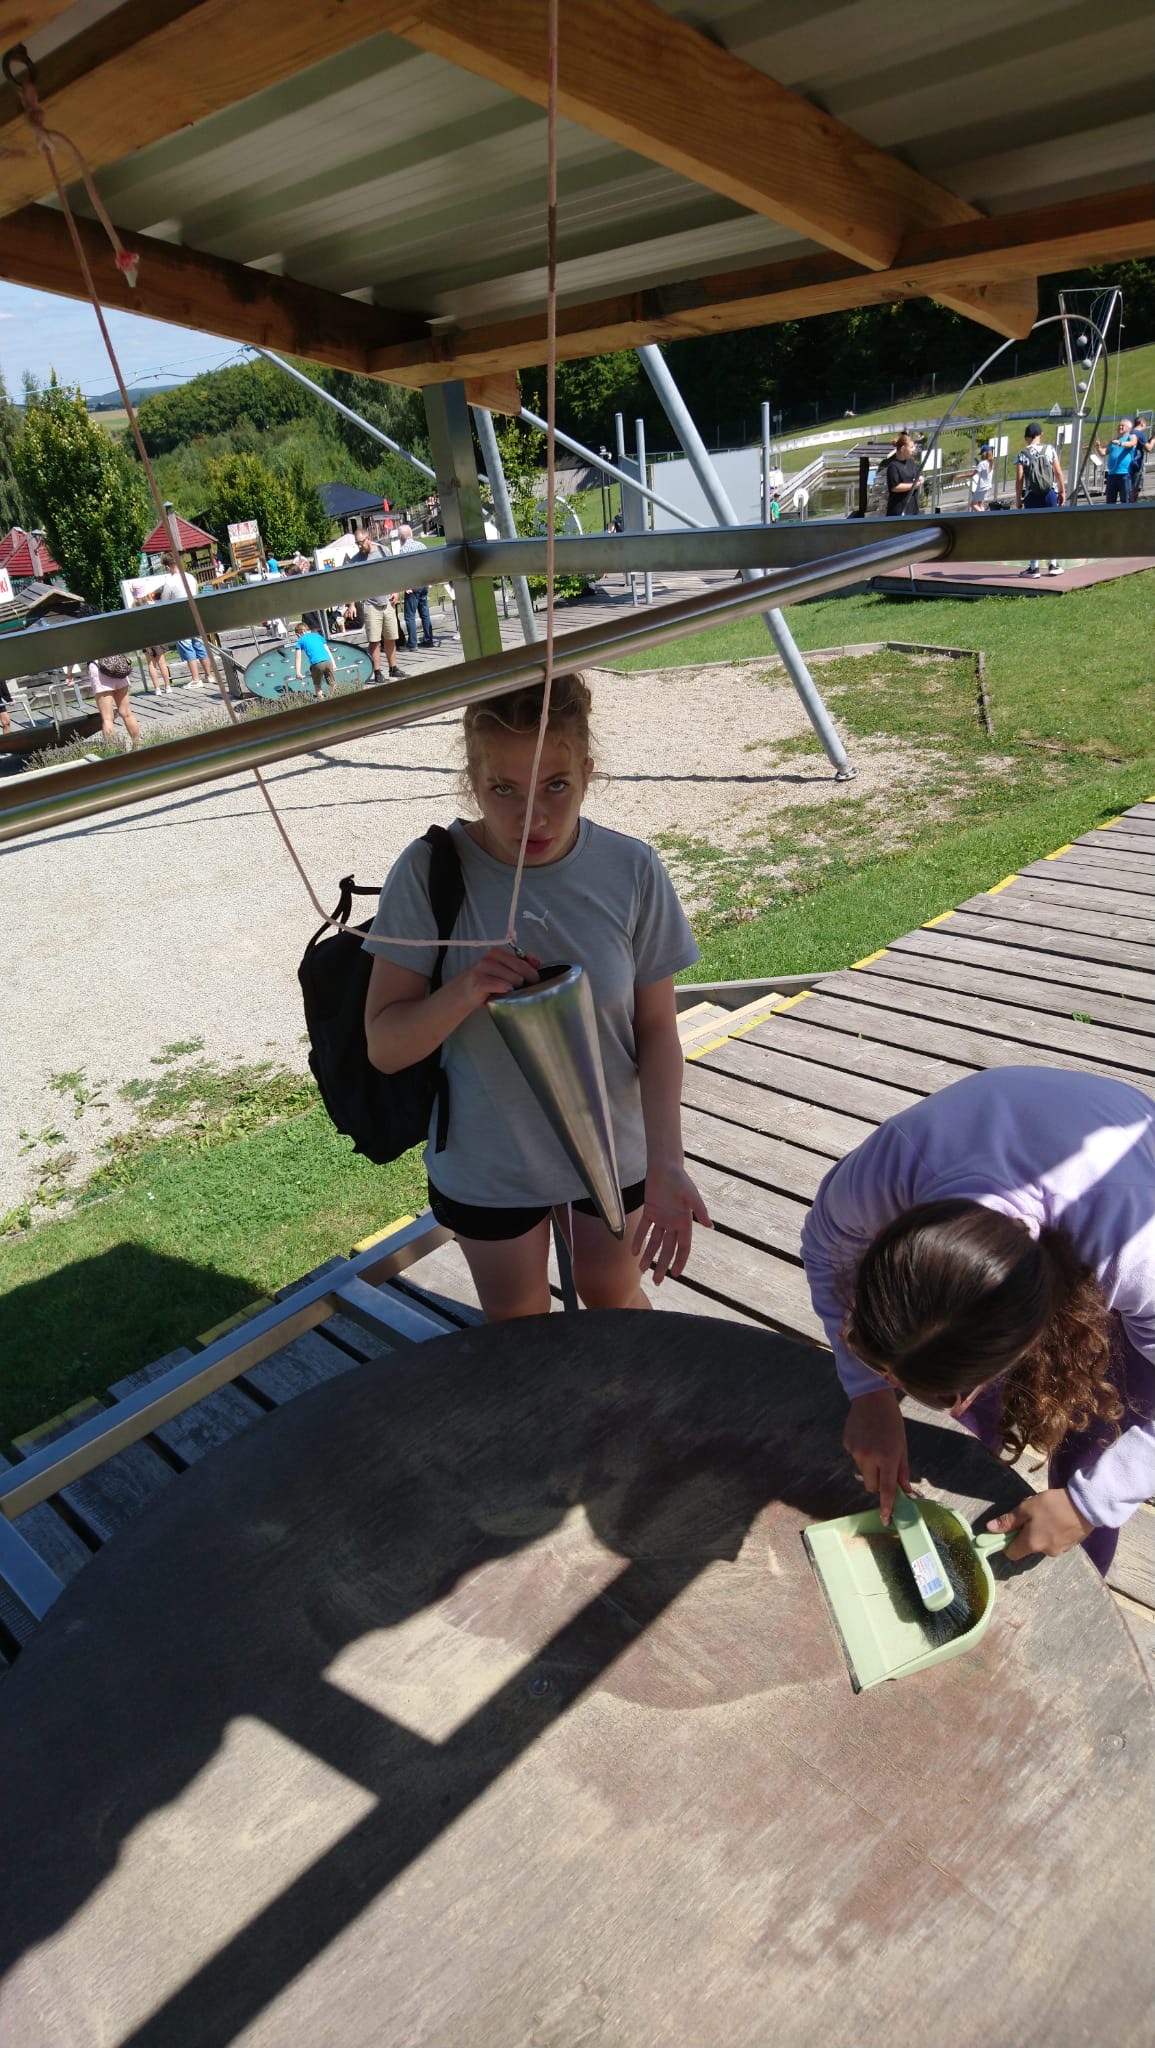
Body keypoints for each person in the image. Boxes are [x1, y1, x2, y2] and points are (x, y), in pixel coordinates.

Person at [363, 674, 710, 1322]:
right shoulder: (428, 872)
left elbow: (657, 1030)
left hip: (614, 1148)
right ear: (472, 780)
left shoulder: (631, 869)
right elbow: (385, 1046)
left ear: (587, 773)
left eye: (556, 785)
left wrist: (667, 1160)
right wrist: (467, 989)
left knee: (614, 1302)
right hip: (489, 1163)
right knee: (518, 1327)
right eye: (503, 789)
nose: (532, 818)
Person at [800, 1067, 1155, 1574]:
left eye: (952, 1396)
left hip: (1128, 1181)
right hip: (1019, 1137)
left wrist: (1090, 1504)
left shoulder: (1135, 1252)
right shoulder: (890, 1170)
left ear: (1030, 1338)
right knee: (965, 1378)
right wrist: (869, 1393)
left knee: (1104, 1429)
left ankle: (1074, 1556)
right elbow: (824, 1246)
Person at [348, 526, 404, 681]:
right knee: (374, 640)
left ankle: (393, 668)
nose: (359, 546)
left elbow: (393, 572)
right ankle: (377, 671)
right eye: (357, 543)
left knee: (391, 637)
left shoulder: (383, 551)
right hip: (370, 604)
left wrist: (396, 591)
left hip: (387, 602)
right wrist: (351, 604)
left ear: (369, 538)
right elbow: (350, 584)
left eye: (361, 542)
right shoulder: (355, 560)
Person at [1015, 422, 1065, 575]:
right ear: (1040, 435)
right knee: (1051, 528)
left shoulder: (1022, 454)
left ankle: (1034, 567)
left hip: (1031, 495)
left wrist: (1018, 498)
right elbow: (1058, 472)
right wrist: (1062, 491)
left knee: (1033, 531)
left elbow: (1019, 479)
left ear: (1026, 438)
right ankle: (1053, 564)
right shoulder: (1050, 449)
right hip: (1050, 493)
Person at [154, 553, 209, 684]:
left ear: (167, 567)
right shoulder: (190, 577)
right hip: (195, 614)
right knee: (199, 644)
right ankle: (209, 675)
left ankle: (195, 679)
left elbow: (165, 601)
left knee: (186, 646)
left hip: (181, 618)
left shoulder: (170, 582)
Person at [86, 653, 141, 750]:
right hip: (118, 665)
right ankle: (138, 746)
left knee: (107, 718)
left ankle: (113, 751)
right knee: (127, 713)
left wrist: (69, 674)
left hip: (99, 668)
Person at [395, 521, 435, 648]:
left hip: (412, 585)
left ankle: (412, 643)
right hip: (424, 583)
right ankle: (428, 639)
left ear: (401, 537)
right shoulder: (421, 545)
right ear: (411, 534)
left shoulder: (403, 549)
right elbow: (428, 565)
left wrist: (406, 585)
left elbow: (404, 570)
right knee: (424, 613)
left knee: (409, 616)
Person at [1093, 419, 1137, 507]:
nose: (1120, 427)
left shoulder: (1131, 436)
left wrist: (1120, 443)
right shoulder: (1113, 441)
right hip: (1112, 475)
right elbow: (1103, 452)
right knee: (1110, 502)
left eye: (1122, 425)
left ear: (1128, 428)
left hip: (1125, 474)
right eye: (1119, 425)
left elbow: (1132, 443)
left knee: (1126, 500)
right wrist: (1098, 447)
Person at [293, 621, 336, 700]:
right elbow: (327, 651)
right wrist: (333, 663)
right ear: (309, 630)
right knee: (332, 683)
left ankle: (322, 700)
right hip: (328, 661)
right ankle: (336, 698)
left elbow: (298, 658)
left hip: (317, 664)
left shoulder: (300, 641)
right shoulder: (317, 636)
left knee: (317, 685)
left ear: (298, 635)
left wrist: (298, 672)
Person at [884, 433, 922, 516]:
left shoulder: (911, 462)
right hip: (899, 511)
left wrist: (921, 478)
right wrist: (914, 486)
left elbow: (918, 475)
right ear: (903, 448)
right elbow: (895, 487)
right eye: (911, 447)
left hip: (913, 509)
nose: (913, 449)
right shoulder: (893, 466)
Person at [968, 442, 995, 512]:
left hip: (981, 487)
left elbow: (972, 474)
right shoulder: (991, 462)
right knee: (980, 504)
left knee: (973, 504)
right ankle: (983, 515)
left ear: (984, 454)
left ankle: (984, 516)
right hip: (988, 486)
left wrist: (960, 476)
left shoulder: (982, 463)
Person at [1130, 416, 1148, 500]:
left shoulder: (1130, 432)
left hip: (1130, 463)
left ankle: (1128, 501)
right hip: (1137, 463)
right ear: (1142, 424)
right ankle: (1132, 503)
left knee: (1130, 485)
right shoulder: (1140, 433)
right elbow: (1148, 448)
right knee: (1136, 486)